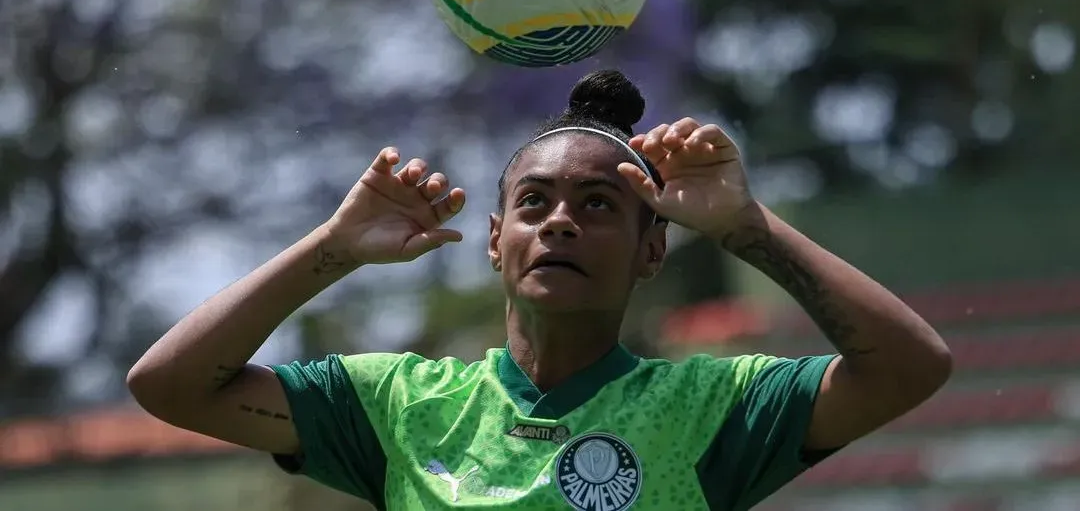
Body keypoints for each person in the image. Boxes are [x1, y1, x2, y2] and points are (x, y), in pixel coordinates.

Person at [127, 69, 952, 511]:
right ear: (496, 241)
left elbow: (911, 366)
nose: (560, 222)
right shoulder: (397, 404)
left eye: (599, 206)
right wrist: (332, 249)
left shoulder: (712, 405)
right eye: (534, 203)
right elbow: (168, 383)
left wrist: (747, 228)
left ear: (651, 248)